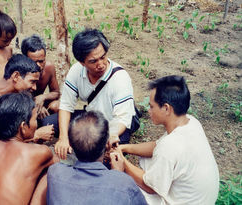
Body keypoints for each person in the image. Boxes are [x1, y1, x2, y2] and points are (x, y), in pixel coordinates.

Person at [110, 75, 220, 204]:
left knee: (123, 190)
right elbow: (157, 146)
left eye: (152, 106)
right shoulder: (190, 122)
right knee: (147, 160)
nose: (148, 110)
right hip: (199, 199)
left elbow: (150, 188)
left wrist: (122, 162)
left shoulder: (170, 146)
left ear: (166, 108)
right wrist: (124, 148)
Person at [42, 28, 136, 160]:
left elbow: (123, 120)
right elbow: (66, 105)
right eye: (93, 61)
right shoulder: (76, 71)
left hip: (114, 126)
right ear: (82, 62)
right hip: (91, 118)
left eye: (103, 57)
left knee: (107, 158)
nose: (101, 64)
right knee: (47, 124)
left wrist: (104, 138)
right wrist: (63, 138)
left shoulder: (120, 78)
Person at [0, 92, 54, 205]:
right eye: (35, 119)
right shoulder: (40, 152)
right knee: (50, 173)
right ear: (23, 127)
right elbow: (59, 164)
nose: (36, 124)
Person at [47, 111, 147, 205]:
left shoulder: (55, 173)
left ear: (70, 144)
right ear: (107, 144)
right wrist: (117, 175)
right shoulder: (125, 184)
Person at [0, 54, 54, 140]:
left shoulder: (6, 89)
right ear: (16, 76)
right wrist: (36, 136)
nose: (34, 87)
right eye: (32, 82)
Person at [21, 34, 60, 119]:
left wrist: (43, 97)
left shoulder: (49, 68)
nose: (38, 65)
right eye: (34, 62)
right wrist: (35, 105)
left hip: (41, 103)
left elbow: (56, 93)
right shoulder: (19, 72)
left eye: (41, 61)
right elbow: (17, 97)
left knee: (56, 106)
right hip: (23, 104)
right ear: (25, 59)